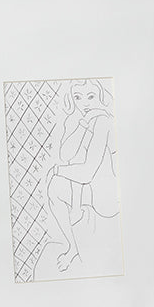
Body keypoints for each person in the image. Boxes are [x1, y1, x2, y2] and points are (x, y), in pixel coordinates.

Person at [45, 78, 119, 272]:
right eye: (78, 97)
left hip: (106, 197)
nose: (85, 103)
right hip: (87, 190)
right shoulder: (80, 119)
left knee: (57, 177)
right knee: (54, 186)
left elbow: (86, 173)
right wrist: (83, 125)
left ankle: (77, 216)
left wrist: (56, 170)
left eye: (91, 96)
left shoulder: (104, 121)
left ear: (101, 97)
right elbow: (66, 155)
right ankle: (73, 247)